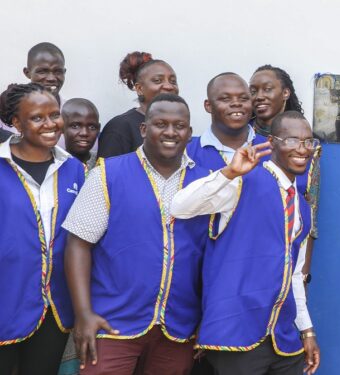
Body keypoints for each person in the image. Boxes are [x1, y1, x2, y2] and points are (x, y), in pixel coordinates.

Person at [63, 94, 210, 374]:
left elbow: (213, 256)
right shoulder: (109, 173)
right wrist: (83, 315)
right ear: (144, 129)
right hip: (112, 321)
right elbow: (78, 243)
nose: (170, 132)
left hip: (178, 326)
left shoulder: (205, 182)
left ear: (189, 133)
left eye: (179, 126)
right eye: (160, 124)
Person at [171, 111, 321, 375]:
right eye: (292, 140)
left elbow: (294, 273)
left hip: (282, 338)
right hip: (236, 333)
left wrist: (306, 330)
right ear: (272, 142)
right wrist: (228, 172)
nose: (302, 149)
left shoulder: (300, 202)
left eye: (308, 142)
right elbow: (180, 207)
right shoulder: (243, 180)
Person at [0, 83, 85, 374]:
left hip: (55, 306)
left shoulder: (74, 169)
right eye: (38, 118)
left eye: (55, 115)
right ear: (16, 123)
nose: (51, 124)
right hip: (6, 296)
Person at [249, 64, 321, 288]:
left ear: (285, 93)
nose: (259, 96)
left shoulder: (309, 147)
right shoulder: (242, 139)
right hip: (246, 252)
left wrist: (303, 275)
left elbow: (311, 211)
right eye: (253, 91)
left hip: (288, 256)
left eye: (267, 89)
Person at [97, 51, 178, 158]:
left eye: (173, 81)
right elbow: (106, 172)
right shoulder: (119, 127)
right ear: (139, 88)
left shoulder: (179, 124)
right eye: (158, 80)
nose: (169, 86)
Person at [186, 72, 255, 171]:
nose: (236, 103)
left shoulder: (271, 148)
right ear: (208, 106)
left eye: (244, 98)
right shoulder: (187, 151)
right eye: (226, 99)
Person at [2, 42, 67, 134]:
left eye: (58, 71)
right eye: (42, 72)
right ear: (27, 73)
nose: (51, 78)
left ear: (64, 72)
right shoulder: (8, 110)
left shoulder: (71, 113)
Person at [62, 98, 100, 171]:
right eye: (75, 126)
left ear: (98, 129)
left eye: (92, 127)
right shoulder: (54, 165)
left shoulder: (103, 165)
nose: (84, 133)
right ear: (61, 127)